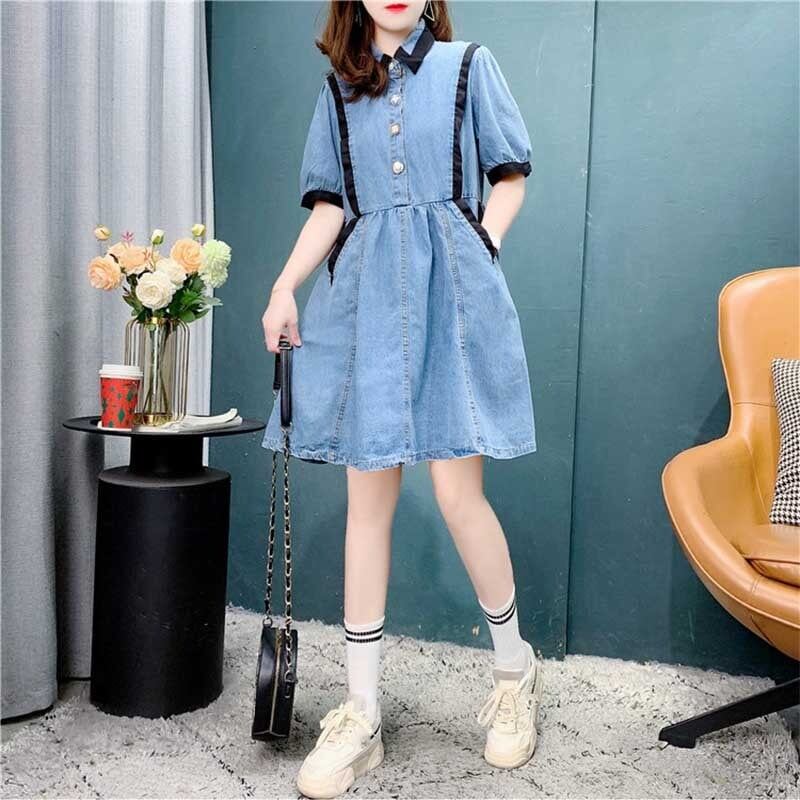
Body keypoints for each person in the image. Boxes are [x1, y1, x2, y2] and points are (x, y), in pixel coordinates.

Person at [260, 1, 541, 796]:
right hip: (366, 303)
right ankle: (361, 713)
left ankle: (516, 675)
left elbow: (510, 174)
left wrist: (482, 242)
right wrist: (284, 286)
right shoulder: (337, 91)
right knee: (368, 505)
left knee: (458, 496)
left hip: (452, 297)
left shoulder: (468, 66)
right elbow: (330, 206)